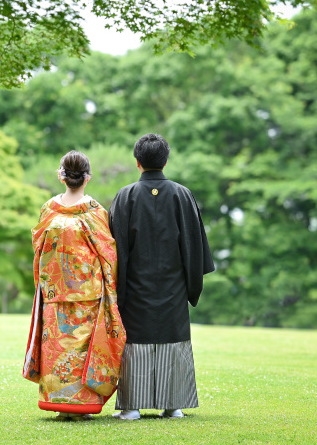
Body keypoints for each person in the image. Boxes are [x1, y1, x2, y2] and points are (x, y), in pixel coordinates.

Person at [108, 133, 215, 420]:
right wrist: (191, 285)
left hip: (135, 287)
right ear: (165, 161)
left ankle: (131, 407)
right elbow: (194, 246)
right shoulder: (182, 195)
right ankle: (173, 405)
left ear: (137, 161)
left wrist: (116, 290)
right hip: (174, 287)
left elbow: (114, 249)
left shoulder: (125, 196)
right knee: (172, 338)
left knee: (135, 342)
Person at [23, 150, 126, 420]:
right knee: (82, 349)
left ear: (61, 176)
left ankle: (60, 404)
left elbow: (38, 249)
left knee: (57, 348)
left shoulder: (49, 210)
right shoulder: (95, 212)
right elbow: (108, 253)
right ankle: (81, 407)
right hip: (87, 292)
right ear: (87, 177)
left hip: (54, 292)